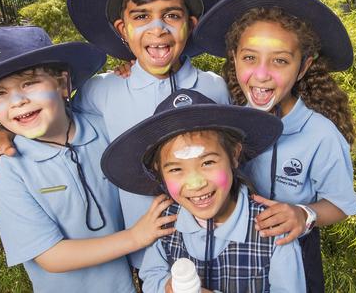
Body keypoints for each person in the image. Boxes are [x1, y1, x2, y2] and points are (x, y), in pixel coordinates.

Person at [0, 0, 238, 270]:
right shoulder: (102, 90)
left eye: (172, 15)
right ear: (122, 30)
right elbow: (48, 113)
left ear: (191, 24)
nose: (158, 29)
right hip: (148, 258)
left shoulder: (214, 87)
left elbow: (234, 154)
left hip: (218, 245)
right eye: (141, 17)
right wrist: (1, 134)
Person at [0, 26, 176, 292]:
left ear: (63, 84)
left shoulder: (105, 125)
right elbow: (51, 257)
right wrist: (134, 237)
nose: (17, 101)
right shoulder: (8, 169)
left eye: (29, 83)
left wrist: (135, 74)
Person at [192, 0, 356, 292]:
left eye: (280, 61)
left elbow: (342, 204)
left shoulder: (320, 134)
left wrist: (305, 214)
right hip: (231, 253)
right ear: (234, 58)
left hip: (293, 252)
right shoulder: (225, 120)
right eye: (250, 58)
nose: (261, 74)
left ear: (303, 67)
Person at [101, 89, 306, 293]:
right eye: (175, 169)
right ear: (159, 172)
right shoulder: (166, 222)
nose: (195, 183)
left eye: (207, 162)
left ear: (234, 155)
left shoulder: (273, 231)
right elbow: (151, 274)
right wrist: (167, 287)